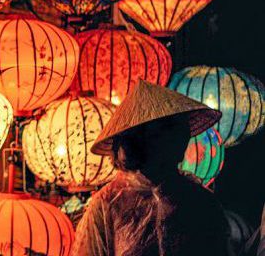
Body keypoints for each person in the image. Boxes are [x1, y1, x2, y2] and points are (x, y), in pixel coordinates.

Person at [72, 81, 231, 256]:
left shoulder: (200, 202)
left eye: (179, 134)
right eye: (167, 136)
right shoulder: (108, 204)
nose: (180, 144)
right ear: (138, 143)